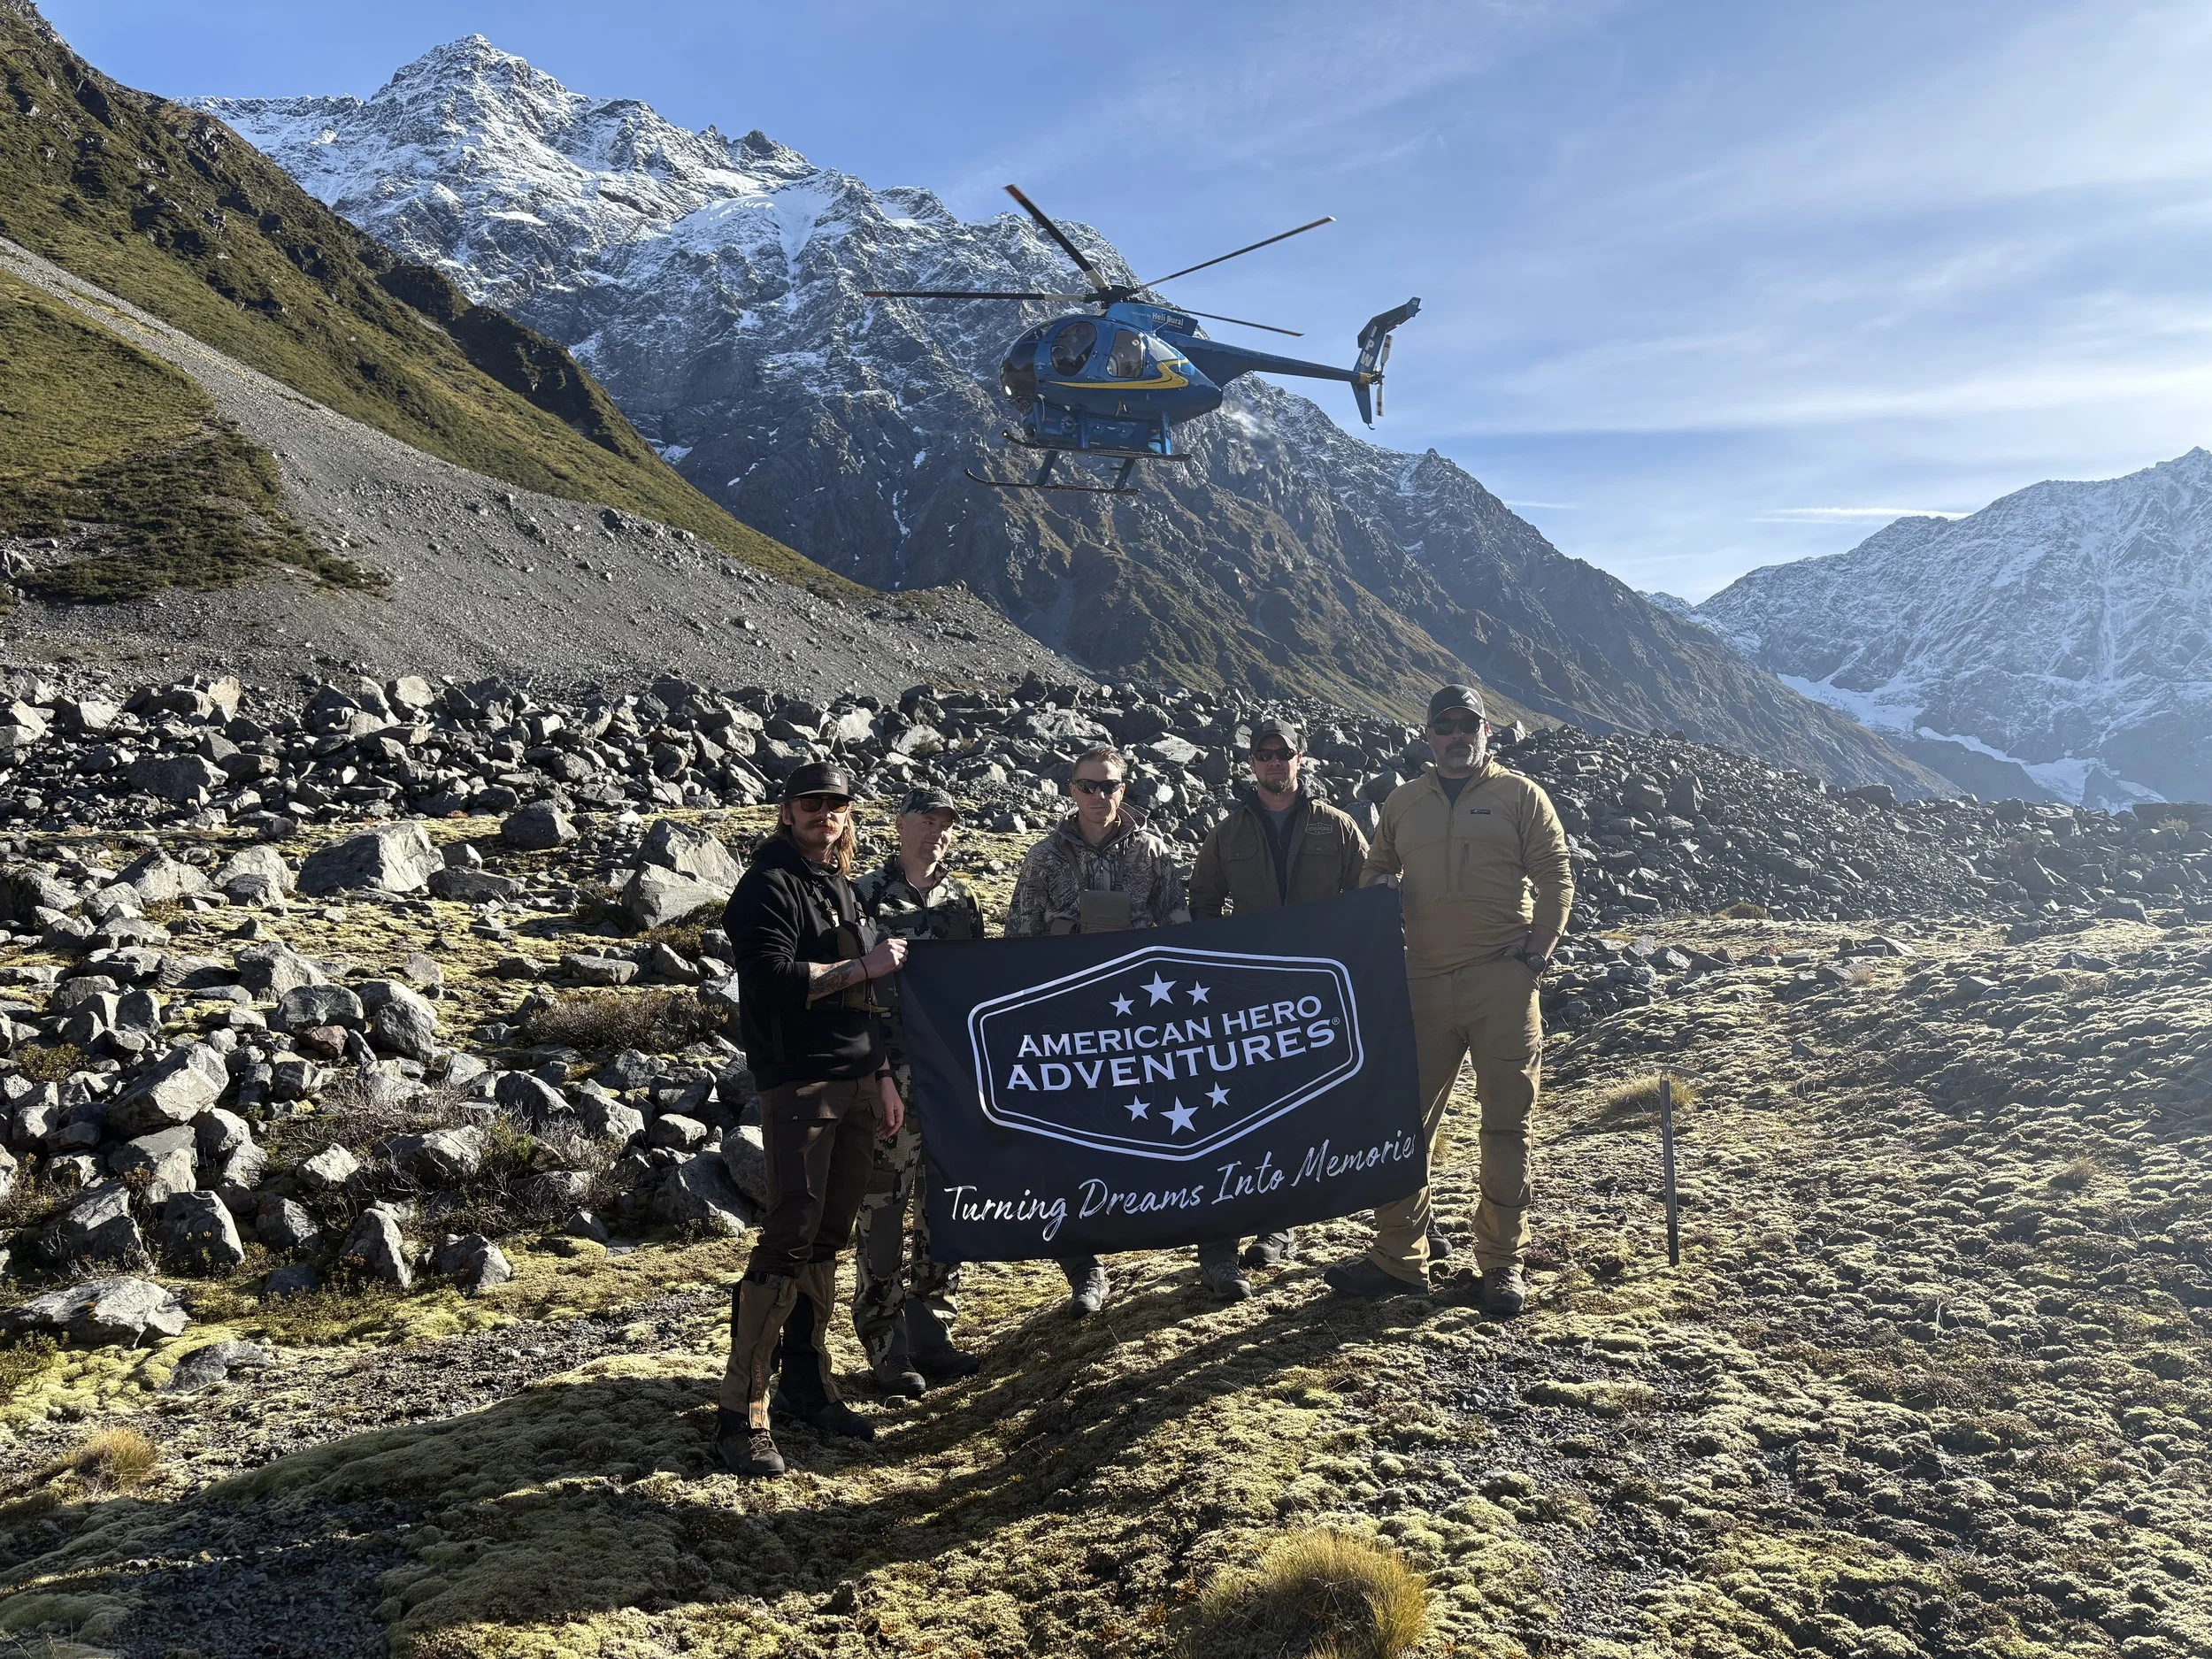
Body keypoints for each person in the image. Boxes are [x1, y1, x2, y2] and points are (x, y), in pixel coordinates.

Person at [1327, 686, 1573, 1317]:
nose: (1458, 735)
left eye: (1469, 724)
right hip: (1422, 984)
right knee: (1403, 1122)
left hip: (1502, 981)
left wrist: (1536, 957)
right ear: (1428, 735)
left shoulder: (1522, 796)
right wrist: (1378, 887)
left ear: (1487, 731)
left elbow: (1555, 875)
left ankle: (1501, 1262)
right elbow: (1375, 871)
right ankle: (1397, 1257)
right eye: (1446, 726)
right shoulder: (1404, 802)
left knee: (1506, 1125)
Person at [718, 762, 909, 1479]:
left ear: (848, 812)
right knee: (789, 1234)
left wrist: (882, 1075)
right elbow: (768, 982)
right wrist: (863, 968)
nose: (824, 813)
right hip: (799, 1082)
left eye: (835, 803)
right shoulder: (765, 886)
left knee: (829, 1232)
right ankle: (742, 1412)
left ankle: (807, 1381)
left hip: (857, 1081)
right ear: (786, 810)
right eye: (811, 802)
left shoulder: (839, 884)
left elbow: (865, 1002)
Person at [1186, 716, 1369, 1299]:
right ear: (1250, 761)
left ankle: (1276, 1227)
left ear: (1301, 757)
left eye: (1282, 753)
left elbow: (1369, 894)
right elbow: (1203, 900)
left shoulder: (1337, 827)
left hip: (1315, 999)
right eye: (1263, 753)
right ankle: (1219, 1244)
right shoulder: (1229, 832)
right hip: (1247, 997)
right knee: (1234, 1114)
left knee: (1294, 1114)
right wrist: (1218, 972)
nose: (1272, 762)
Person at [1005, 744, 1190, 1315]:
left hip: (1146, 1021)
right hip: (1075, 1026)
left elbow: (1179, 922)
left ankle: (1216, 1251)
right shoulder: (1042, 861)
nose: (1099, 796)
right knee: (1072, 1148)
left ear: (1124, 789)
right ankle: (1086, 1269)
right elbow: (1018, 945)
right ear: (1070, 790)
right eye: (1088, 786)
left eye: (1109, 786)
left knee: (1188, 1129)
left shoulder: (1154, 853)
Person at [850, 786, 987, 1396]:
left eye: (945, 823)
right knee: (884, 1210)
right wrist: (877, 1074)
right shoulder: (864, 898)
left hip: (951, 1079)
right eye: (925, 821)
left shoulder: (965, 901)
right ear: (898, 824)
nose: (936, 831)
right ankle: (885, 1344)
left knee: (945, 1208)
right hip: (891, 1078)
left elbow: (983, 994)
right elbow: (854, 1000)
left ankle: (934, 1335)